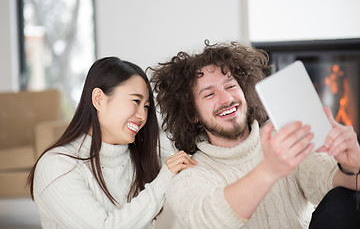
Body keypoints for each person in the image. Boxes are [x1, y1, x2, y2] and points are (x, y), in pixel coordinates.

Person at [149, 41, 360, 228]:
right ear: (193, 114)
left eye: (230, 86)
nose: (226, 99)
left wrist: (352, 165)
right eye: (210, 94)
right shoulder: (189, 174)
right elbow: (208, 220)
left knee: (347, 199)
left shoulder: (283, 137)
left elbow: (333, 182)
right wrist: (269, 170)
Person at [27, 57, 197, 228]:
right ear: (99, 99)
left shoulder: (148, 157)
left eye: (146, 107)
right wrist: (163, 180)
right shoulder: (57, 166)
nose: (142, 116)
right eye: (136, 101)